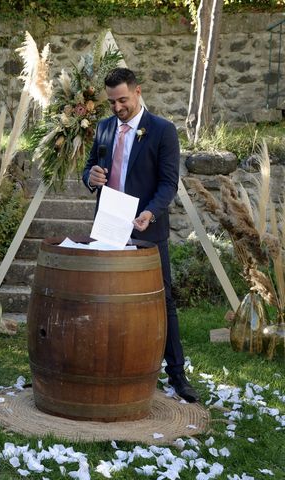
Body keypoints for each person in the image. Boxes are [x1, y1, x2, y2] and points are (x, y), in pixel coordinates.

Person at [82, 68, 199, 403]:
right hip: (107, 226)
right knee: (104, 298)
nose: (117, 107)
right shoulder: (104, 128)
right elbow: (89, 168)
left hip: (147, 227)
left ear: (137, 92)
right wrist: (91, 176)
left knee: (163, 301)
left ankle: (177, 374)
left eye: (122, 100)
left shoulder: (162, 130)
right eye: (111, 102)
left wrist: (150, 212)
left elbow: (168, 183)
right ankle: (108, 367)